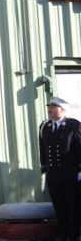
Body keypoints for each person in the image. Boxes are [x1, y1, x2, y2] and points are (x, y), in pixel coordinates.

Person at [39, 97, 81, 240]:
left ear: (62, 109)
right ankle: (63, 232)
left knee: (73, 205)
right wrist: (44, 168)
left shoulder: (73, 125)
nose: (50, 110)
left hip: (70, 173)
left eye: (53, 107)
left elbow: (79, 147)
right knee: (59, 204)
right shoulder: (45, 126)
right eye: (49, 107)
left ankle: (74, 234)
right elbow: (43, 149)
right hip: (53, 174)